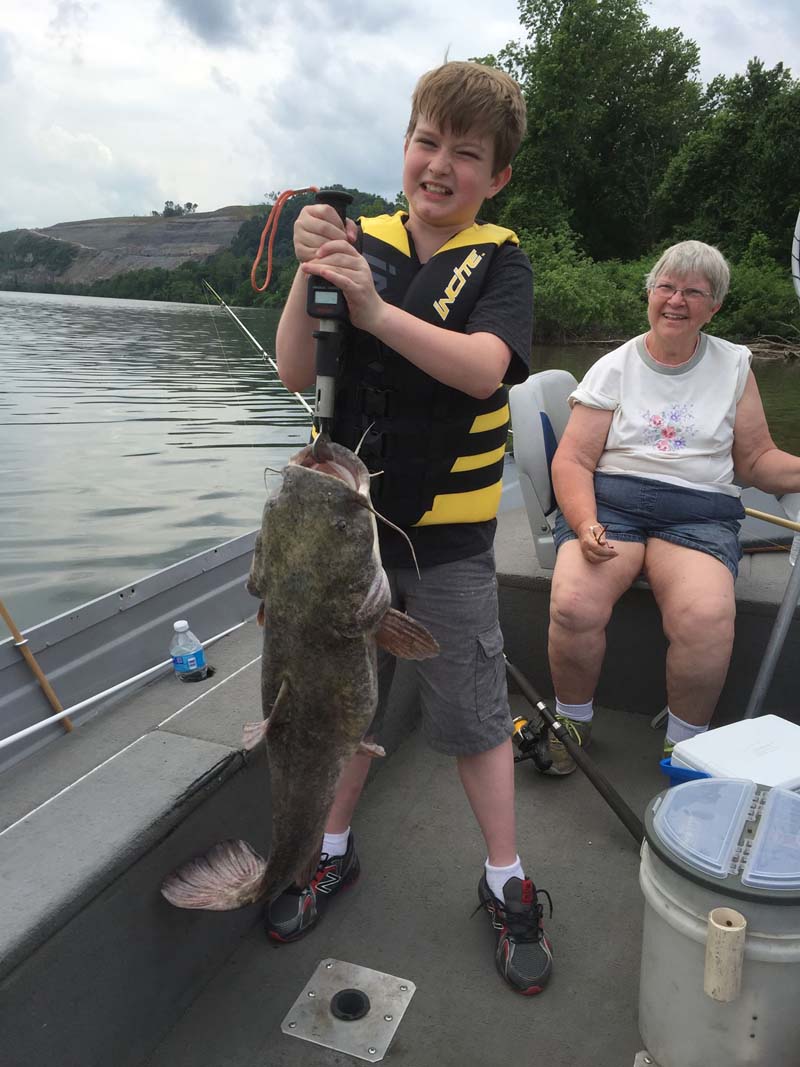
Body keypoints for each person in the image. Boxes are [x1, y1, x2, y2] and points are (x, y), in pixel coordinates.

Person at [269, 61, 553, 995]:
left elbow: (482, 370)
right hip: (346, 530)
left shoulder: (502, 262)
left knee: (474, 716)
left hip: (446, 541)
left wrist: (375, 308)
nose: (439, 166)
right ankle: (330, 850)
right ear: (405, 145)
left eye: (465, 154)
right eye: (426, 142)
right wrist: (314, 269)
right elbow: (289, 370)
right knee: (339, 704)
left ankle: (504, 876)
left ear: (496, 176)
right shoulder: (360, 243)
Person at [545, 240, 800, 775]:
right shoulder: (613, 367)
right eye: (666, 287)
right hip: (612, 506)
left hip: (699, 514)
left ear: (715, 307)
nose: (676, 300)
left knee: (706, 616)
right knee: (573, 604)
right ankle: (572, 721)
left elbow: (755, 461)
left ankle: (685, 751)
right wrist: (585, 522)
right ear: (649, 294)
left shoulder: (735, 365)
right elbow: (572, 461)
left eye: (693, 292)